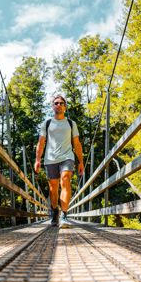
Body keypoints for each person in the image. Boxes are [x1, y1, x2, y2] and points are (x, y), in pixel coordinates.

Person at [34, 94, 84, 228]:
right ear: (52, 106)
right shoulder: (47, 123)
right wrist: (37, 160)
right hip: (50, 159)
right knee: (53, 188)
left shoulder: (71, 124)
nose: (59, 105)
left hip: (67, 157)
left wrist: (81, 162)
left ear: (65, 107)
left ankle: (64, 215)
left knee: (65, 179)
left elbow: (77, 144)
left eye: (62, 103)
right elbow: (41, 142)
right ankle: (55, 210)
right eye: (56, 103)